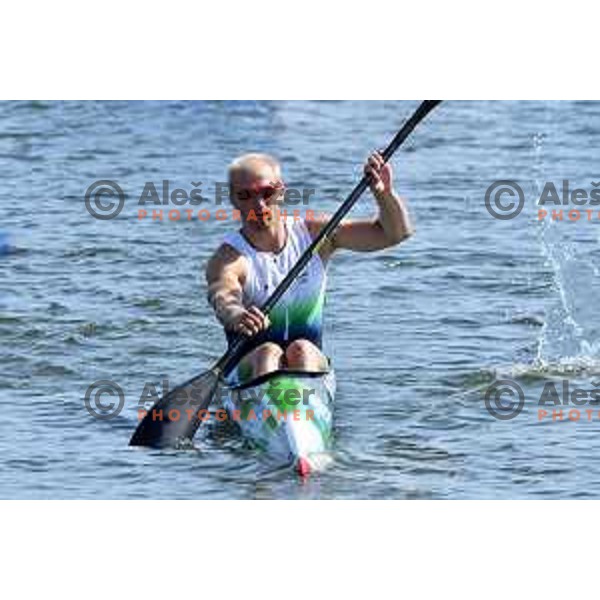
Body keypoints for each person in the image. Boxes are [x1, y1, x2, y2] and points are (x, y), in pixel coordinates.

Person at [206, 151, 413, 383]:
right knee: (268, 353)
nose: (259, 204)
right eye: (246, 195)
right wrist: (236, 314)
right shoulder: (228, 259)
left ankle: (295, 412)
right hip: (247, 369)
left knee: (301, 349)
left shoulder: (316, 235)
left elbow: (394, 234)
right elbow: (223, 295)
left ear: (281, 191)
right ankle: (275, 410)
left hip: (309, 360)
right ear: (233, 198)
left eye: (267, 192)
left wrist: (383, 194)